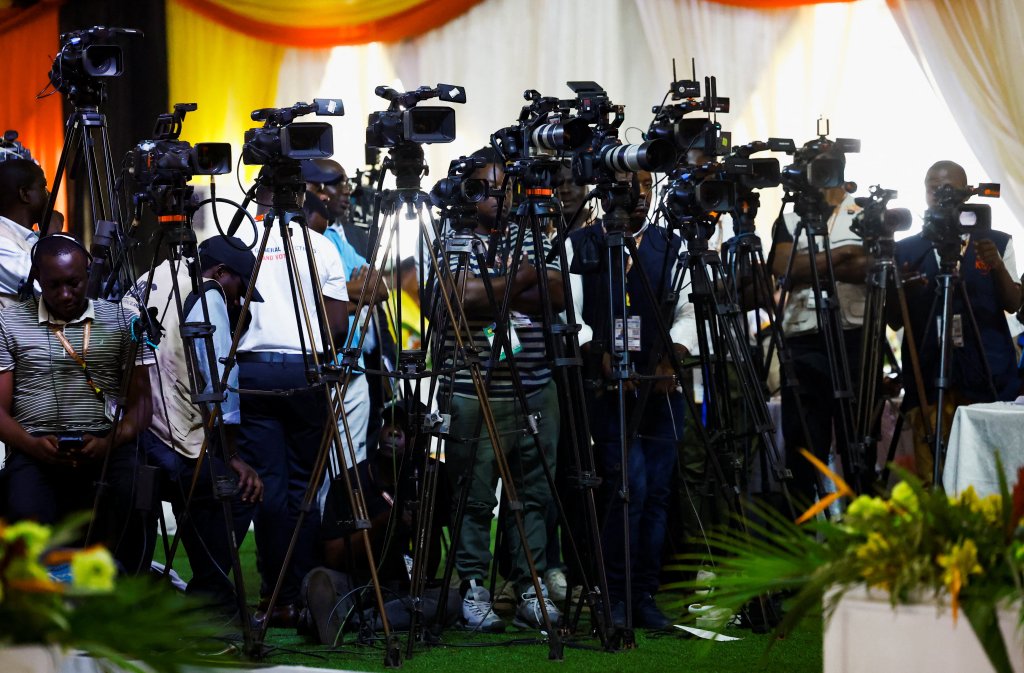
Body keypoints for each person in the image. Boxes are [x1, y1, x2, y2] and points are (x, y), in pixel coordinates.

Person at [566, 170, 697, 630]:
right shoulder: (581, 242)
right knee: (628, 488)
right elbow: (572, 312)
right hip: (608, 388)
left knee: (658, 493)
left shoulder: (672, 243)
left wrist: (671, 358)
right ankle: (614, 594)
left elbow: (689, 310)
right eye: (625, 183)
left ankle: (643, 594)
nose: (637, 193)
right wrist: (598, 353)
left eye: (644, 182)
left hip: (662, 388)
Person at [441, 147, 563, 632]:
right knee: (473, 498)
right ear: (469, 191)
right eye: (485, 187)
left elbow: (556, 293)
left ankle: (529, 584)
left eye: (503, 186)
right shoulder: (452, 238)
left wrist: (493, 287)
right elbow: (458, 297)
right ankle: (473, 587)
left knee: (534, 495)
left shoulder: (532, 234)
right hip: (473, 388)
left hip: (534, 386)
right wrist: (521, 279)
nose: (497, 196)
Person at [233, 174, 350, 627]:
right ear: (299, 196)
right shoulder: (320, 245)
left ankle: (274, 595)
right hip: (306, 370)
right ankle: (303, 592)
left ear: (257, 197)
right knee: (304, 489)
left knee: (269, 488)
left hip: (252, 371)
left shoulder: (239, 238)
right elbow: (337, 326)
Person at [0, 234, 153, 572]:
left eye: (74, 283)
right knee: (22, 507)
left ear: (88, 273)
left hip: (106, 444)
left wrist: (108, 443)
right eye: (54, 285)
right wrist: (33, 445)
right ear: (37, 278)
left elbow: (143, 405)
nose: (65, 294)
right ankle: (40, 604)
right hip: (35, 446)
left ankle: (130, 595)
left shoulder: (122, 321)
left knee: (134, 494)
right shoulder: (9, 323)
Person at [131, 235, 264, 615]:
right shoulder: (209, 294)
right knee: (239, 489)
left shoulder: (148, 277)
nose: (239, 299)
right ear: (221, 273)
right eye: (240, 286)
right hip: (170, 437)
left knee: (200, 490)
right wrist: (234, 455)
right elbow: (221, 378)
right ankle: (211, 600)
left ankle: (203, 594)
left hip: (132, 431)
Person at [892, 160, 1021, 482]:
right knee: (930, 473)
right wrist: (900, 288)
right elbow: (894, 320)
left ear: (966, 192)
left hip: (988, 372)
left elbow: (1014, 303)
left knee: (991, 471)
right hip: (928, 375)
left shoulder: (995, 241)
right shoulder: (906, 250)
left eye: (949, 187)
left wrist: (997, 266)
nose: (940, 193)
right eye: (933, 187)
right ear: (924, 192)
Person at [769, 175, 867, 502]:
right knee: (802, 448)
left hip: (854, 339)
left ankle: (863, 537)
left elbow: (866, 268)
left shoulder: (863, 211)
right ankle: (801, 539)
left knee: (858, 445)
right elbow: (783, 268)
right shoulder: (789, 217)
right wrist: (842, 255)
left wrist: (809, 265)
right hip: (803, 340)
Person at [0, 159, 64, 307]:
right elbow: (56, 287)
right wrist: (53, 234)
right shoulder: (2, 242)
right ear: (24, 194)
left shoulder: (33, 238)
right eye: (43, 186)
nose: (48, 194)